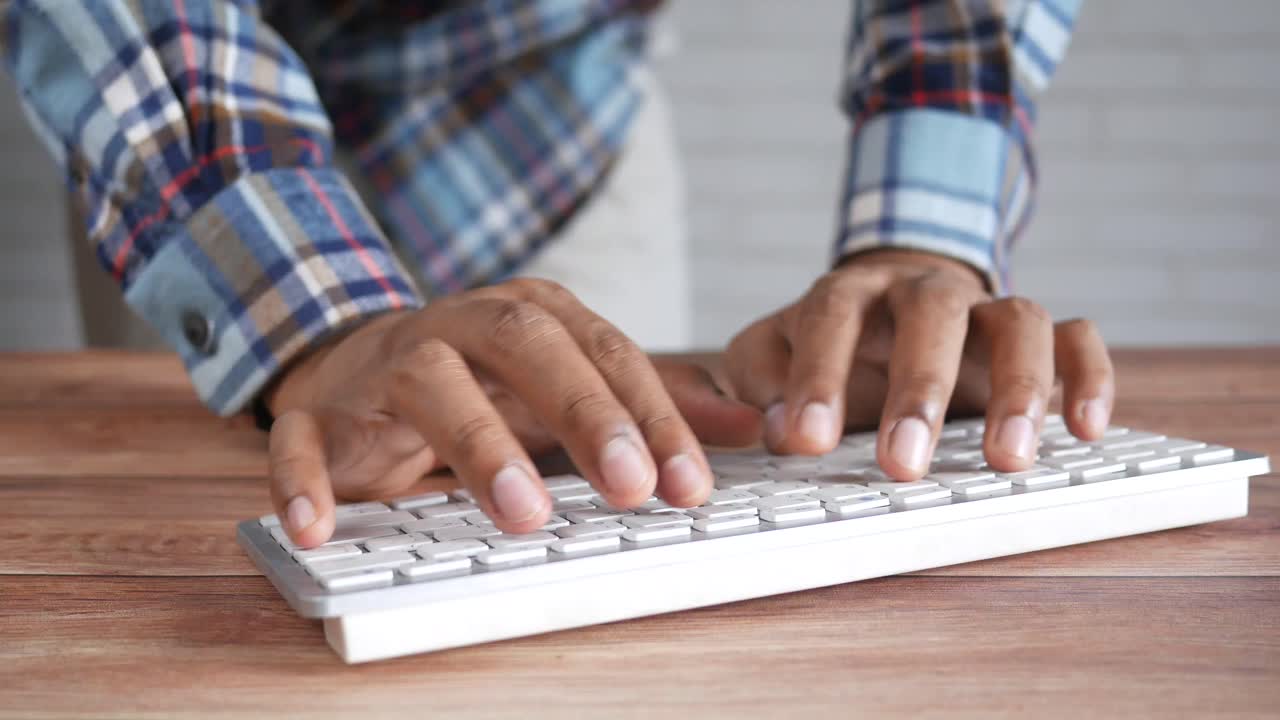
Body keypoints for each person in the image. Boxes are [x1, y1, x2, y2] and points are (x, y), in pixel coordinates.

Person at [3, 0, 1109, 549]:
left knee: (614, 536)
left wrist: (920, 234)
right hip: (190, 138)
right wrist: (305, 323)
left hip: (549, 127)